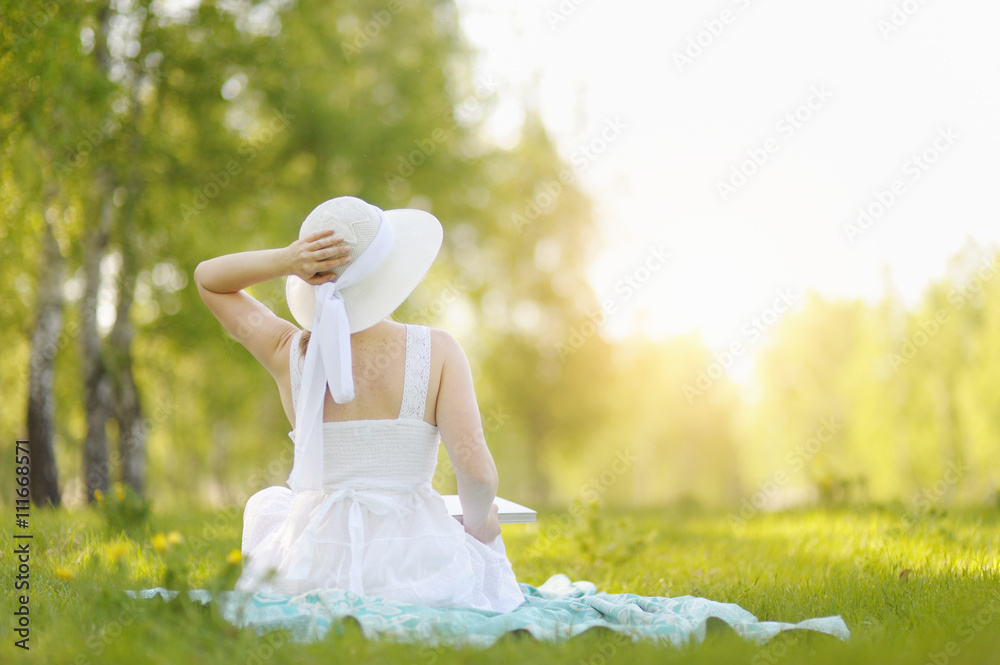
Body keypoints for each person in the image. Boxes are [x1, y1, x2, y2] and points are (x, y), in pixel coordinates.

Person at [193, 195, 524, 612]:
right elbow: (476, 474)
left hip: (314, 561)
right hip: (412, 561)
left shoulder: (287, 351)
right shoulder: (437, 351)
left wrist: (286, 261)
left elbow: (208, 278)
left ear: (309, 275)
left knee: (270, 506)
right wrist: (482, 528)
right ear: (390, 271)